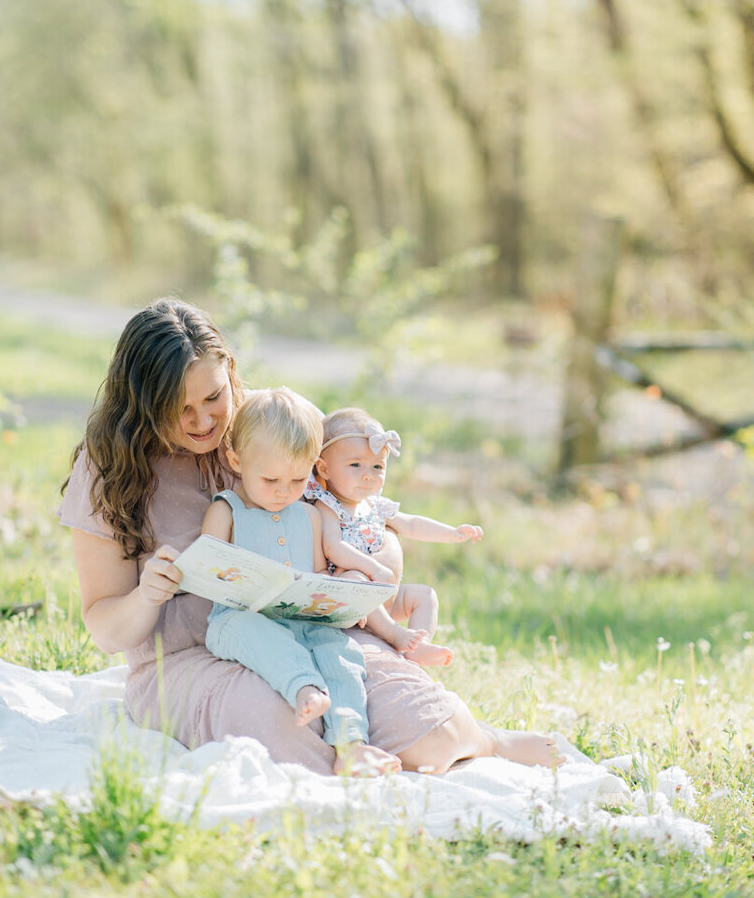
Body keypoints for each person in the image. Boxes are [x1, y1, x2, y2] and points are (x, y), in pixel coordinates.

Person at [60, 297, 563, 775]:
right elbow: (105, 630)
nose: (204, 421)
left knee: (435, 737)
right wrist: (148, 595)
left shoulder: (271, 423)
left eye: (214, 396)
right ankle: (353, 755)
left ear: (230, 372)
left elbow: (359, 509)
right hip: (190, 661)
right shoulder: (109, 467)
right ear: (144, 403)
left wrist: (362, 564)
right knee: (286, 731)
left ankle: (484, 740)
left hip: (314, 631)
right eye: (179, 408)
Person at [201, 387, 400, 776]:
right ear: (236, 460)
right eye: (271, 479)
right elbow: (207, 568)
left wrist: (339, 603)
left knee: (340, 653)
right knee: (259, 633)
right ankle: (304, 686)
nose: (283, 491)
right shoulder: (226, 510)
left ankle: (352, 743)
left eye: (296, 480)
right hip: (235, 618)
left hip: (298, 618)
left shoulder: (308, 516)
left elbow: (312, 580)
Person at [306, 406, 482, 669]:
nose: (368, 474)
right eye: (355, 465)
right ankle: (395, 634)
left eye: (378, 466)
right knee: (353, 578)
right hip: (351, 598)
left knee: (425, 595)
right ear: (324, 469)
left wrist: (452, 533)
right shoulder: (328, 506)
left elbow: (411, 524)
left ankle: (418, 647)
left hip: (386, 596)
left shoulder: (375, 504)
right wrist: (372, 568)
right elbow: (333, 547)